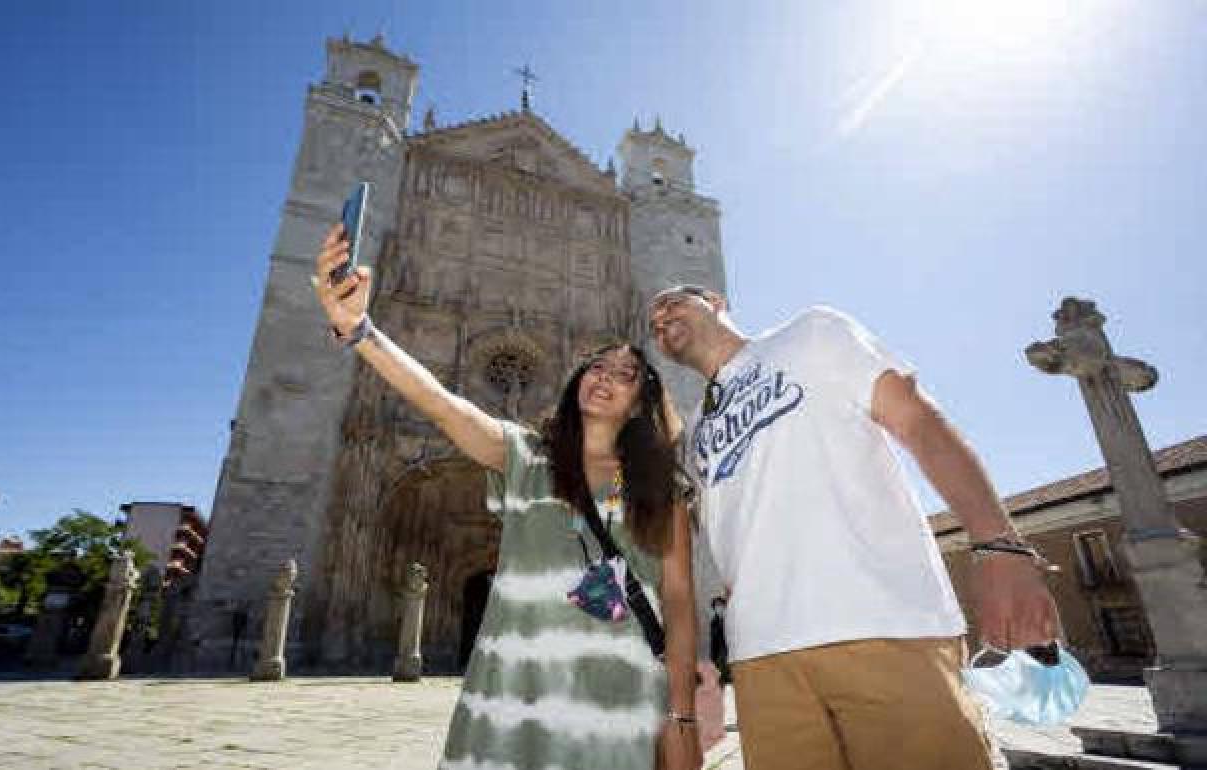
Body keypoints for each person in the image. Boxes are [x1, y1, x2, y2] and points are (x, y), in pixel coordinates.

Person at [312, 225, 703, 770]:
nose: (604, 377)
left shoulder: (660, 490)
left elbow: (680, 604)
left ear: (643, 403)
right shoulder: (525, 456)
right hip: (509, 698)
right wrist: (360, 329)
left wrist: (682, 716)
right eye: (596, 366)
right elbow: (444, 406)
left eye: (626, 374)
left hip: (618, 704)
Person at [648, 286, 1062, 770]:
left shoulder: (811, 334)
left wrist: (1000, 547)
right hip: (761, 659)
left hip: (880, 623)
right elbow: (736, 535)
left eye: (673, 302)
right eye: (653, 321)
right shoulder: (697, 426)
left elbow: (917, 421)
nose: (662, 318)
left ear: (714, 301)